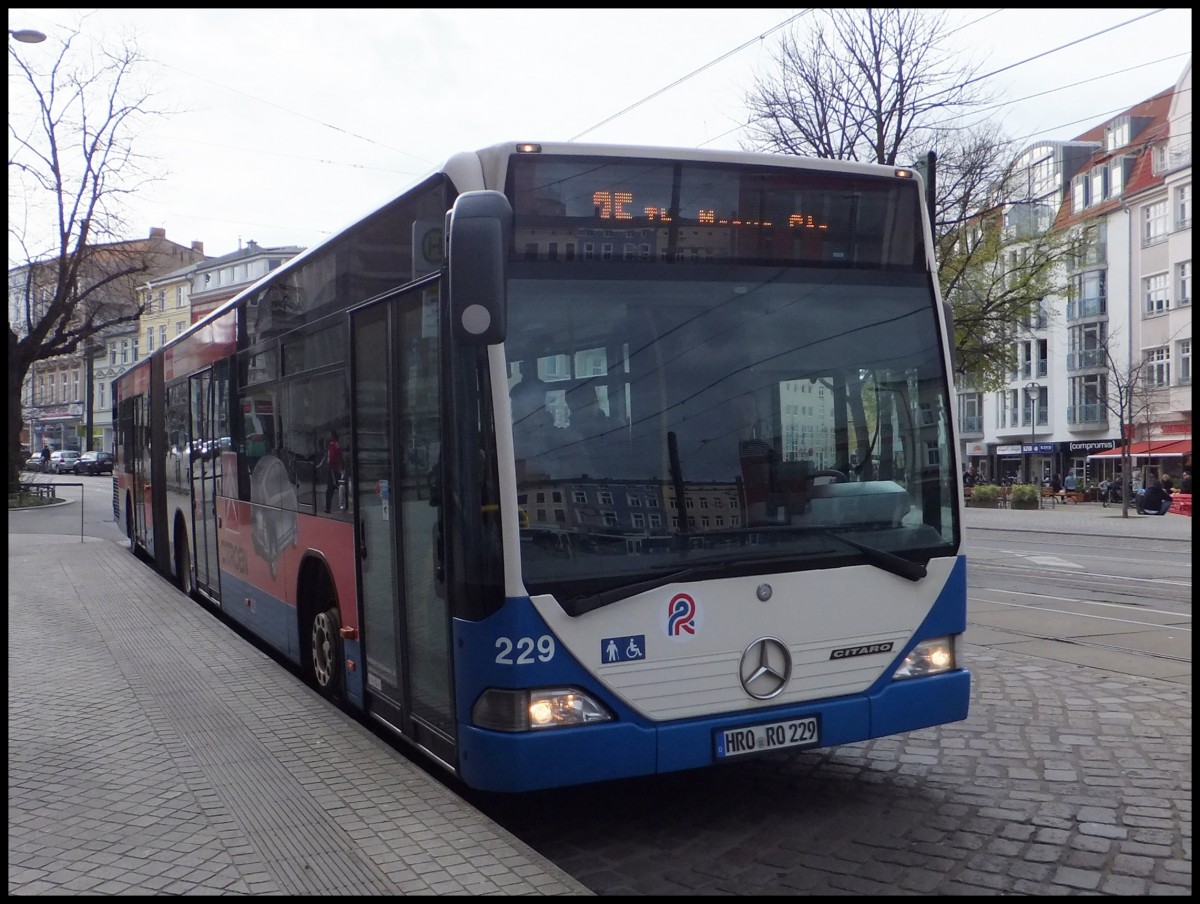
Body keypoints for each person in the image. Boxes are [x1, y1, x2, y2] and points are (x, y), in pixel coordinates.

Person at [322, 429, 343, 513]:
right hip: (337, 468)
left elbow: (331, 457)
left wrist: (329, 466)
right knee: (340, 487)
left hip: (332, 469)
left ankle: (328, 507)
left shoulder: (331, 445)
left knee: (329, 490)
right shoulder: (338, 444)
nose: (328, 436)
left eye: (329, 435)